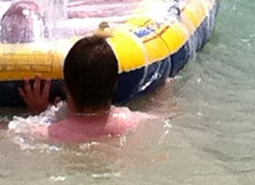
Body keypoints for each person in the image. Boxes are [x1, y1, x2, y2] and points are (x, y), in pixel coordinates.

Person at [17, 34, 153, 142]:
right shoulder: (139, 122)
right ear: (116, 83)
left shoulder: (42, 133)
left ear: (65, 86)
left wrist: (41, 113)